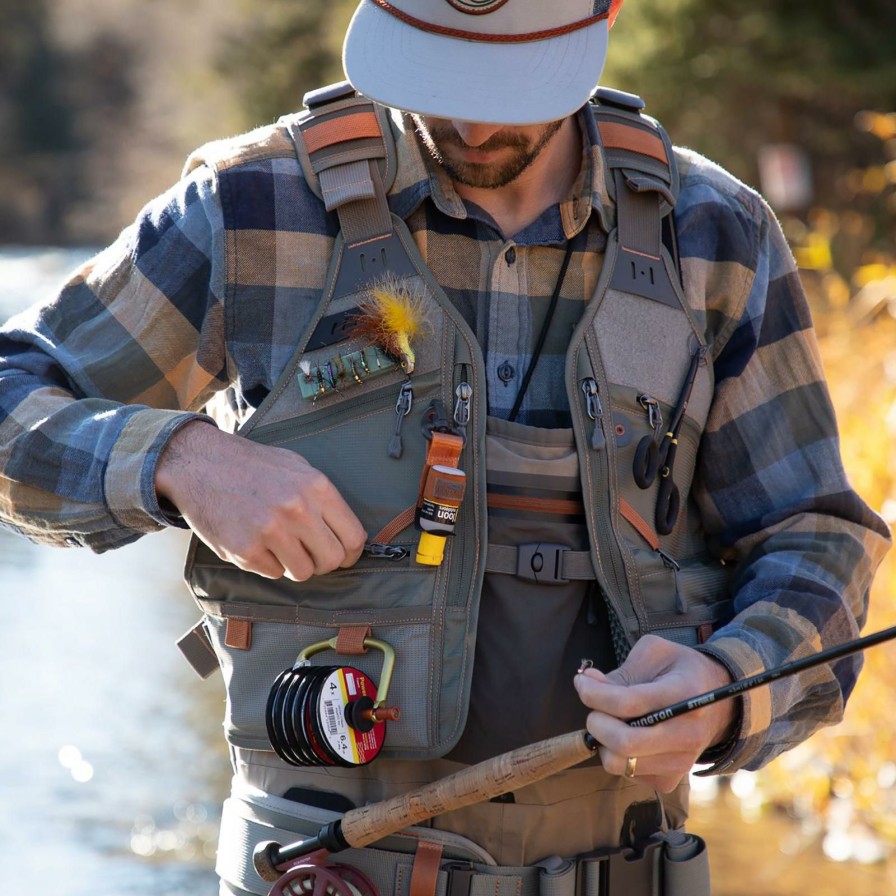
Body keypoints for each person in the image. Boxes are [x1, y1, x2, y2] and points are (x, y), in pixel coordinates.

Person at [0, 1, 890, 894]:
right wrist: (182, 459)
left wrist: (731, 685)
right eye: (435, 73)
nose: (469, 121)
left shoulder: (717, 238)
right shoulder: (250, 207)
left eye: (511, 84)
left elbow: (815, 533)